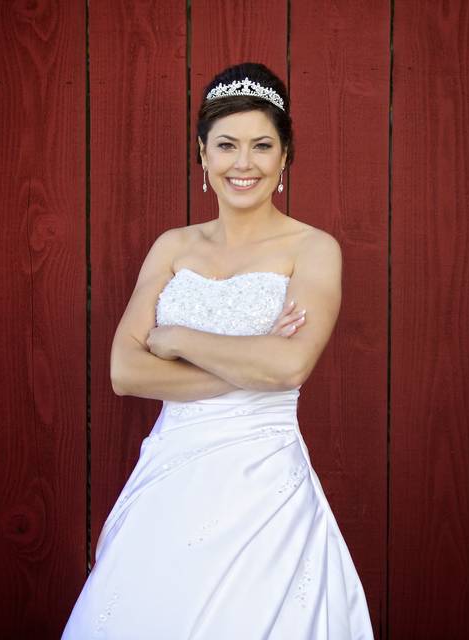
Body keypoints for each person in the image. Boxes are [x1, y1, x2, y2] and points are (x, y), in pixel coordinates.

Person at [61, 61, 374, 639]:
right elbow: (125, 371)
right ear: (203, 155)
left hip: (265, 486)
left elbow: (290, 365)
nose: (243, 163)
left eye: (262, 145)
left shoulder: (313, 249)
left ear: (285, 158)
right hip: (170, 475)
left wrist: (176, 340)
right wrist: (250, 360)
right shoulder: (172, 248)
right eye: (226, 145)